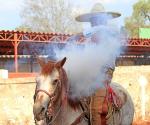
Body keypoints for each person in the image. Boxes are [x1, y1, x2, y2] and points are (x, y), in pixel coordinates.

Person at [73, 3, 121, 125]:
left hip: (103, 74)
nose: (94, 22)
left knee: (96, 109)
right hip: (90, 73)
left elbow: (96, 32)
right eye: (92, 20)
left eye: (97, 19)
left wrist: (79, 35)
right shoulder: (91, 35)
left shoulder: (108, 31)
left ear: (104, 20)